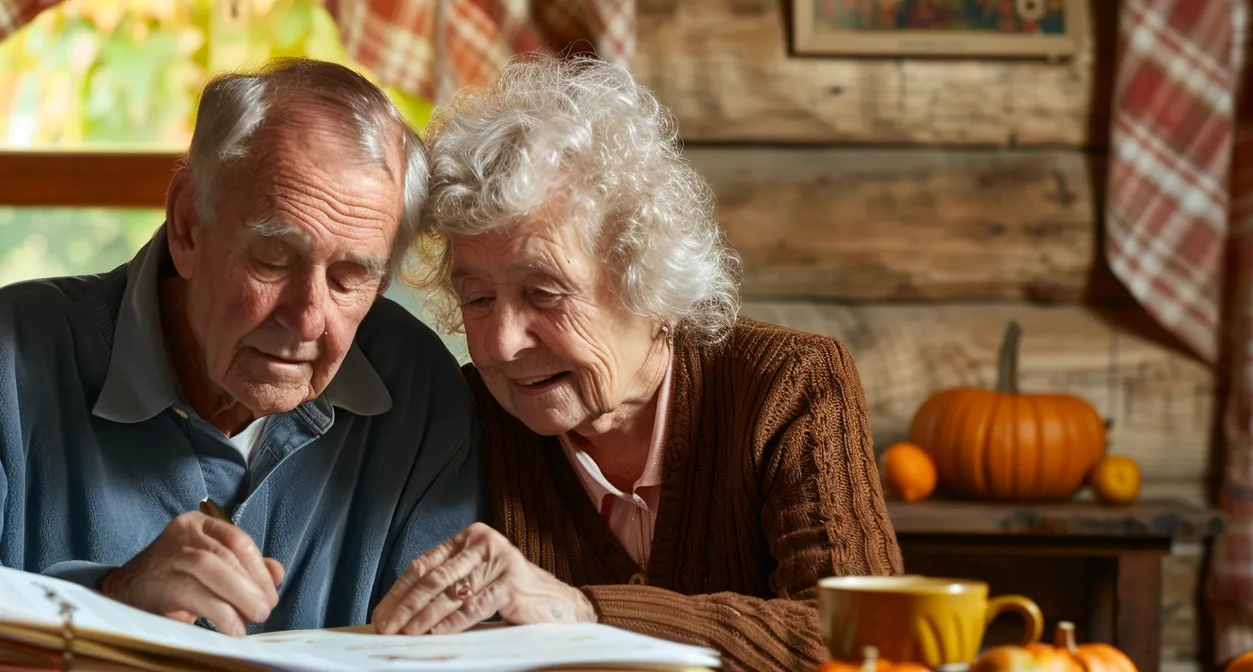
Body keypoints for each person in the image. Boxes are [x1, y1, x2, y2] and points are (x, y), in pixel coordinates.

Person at [0, 58, 481, 668]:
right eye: (274, 258)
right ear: (188, 224)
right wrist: (107, 601)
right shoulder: (2, 357)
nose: (307, 318)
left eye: (350, 278)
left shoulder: (417, 390)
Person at [369, 54, 902, 670]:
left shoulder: (789, 384)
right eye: (478, 299)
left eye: (543, 293)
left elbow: (868, 637)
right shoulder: (468, 418)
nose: (498, 344)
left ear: (646, 277)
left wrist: (588, 613)